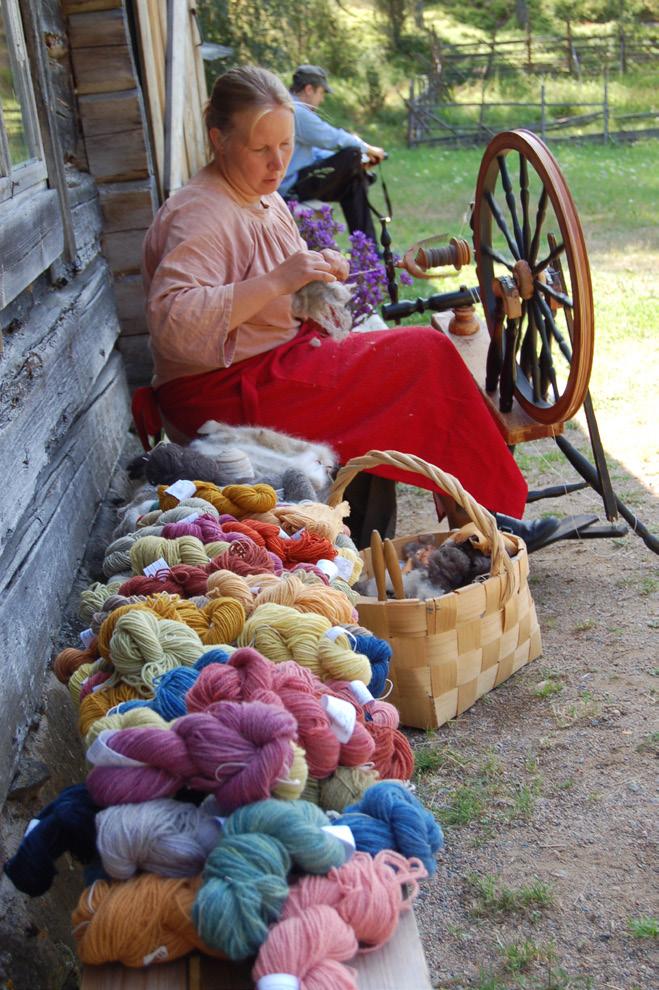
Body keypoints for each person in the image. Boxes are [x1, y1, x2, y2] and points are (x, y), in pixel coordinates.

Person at [133, 65, 560, 552]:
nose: (277, 163)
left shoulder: (258, 196)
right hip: (224, 391)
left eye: (286, 146)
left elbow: (277, 288)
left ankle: (478, 518)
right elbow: (173, 321)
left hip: (270, 363)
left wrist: (315, 273)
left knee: (420, 352)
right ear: (218, 140)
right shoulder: (200, 213)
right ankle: (487, 521)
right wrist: (280, 278)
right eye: (261, 149)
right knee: (422, 354)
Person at [278, 64, 385, 245]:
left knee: (353, 182)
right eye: (321, 93)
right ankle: (368, 246)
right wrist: (367, 149)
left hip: (298, 180)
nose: (321, 99)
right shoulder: (296, 111)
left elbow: (317, 150)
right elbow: (332, 138)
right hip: (290, 188)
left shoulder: (290, 107)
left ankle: (367, 246)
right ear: (309, 89)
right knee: (352, 154)